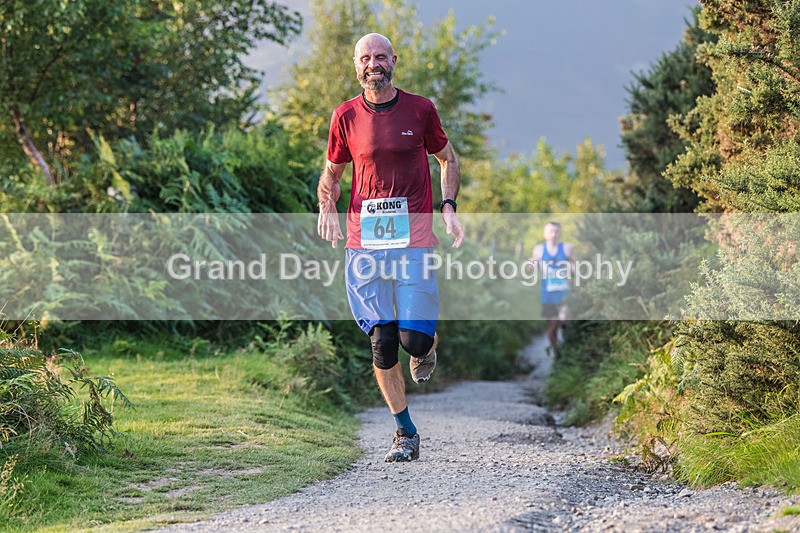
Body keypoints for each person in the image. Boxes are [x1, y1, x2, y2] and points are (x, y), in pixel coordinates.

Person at [316, 33, 464, 462]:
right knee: (382, 342)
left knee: (412, 341)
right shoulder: (345, 116)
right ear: (356, 65)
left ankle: (427, 344)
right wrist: (327, 204)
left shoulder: (420, 109)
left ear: (393, 60)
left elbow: (448, 159)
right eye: (365, 58)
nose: (373, 64)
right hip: (365, 241)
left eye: (380, 56)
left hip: (413, 238)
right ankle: (405, 432)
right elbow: (332, 174)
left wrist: (448, 206)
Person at [530, 222, 573, 348]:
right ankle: (555, 351)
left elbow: (574, 265)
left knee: (564, 319)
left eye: (556, 231)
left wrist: (571, 275)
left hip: (564, 290)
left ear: (560, 233)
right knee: (553, 324)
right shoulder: (539, 249)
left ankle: (569, 345)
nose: (553, 234)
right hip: (548, 292)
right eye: (550, 231)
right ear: (545, 234)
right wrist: (531, 264)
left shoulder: (567, 248)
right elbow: (533, 268)